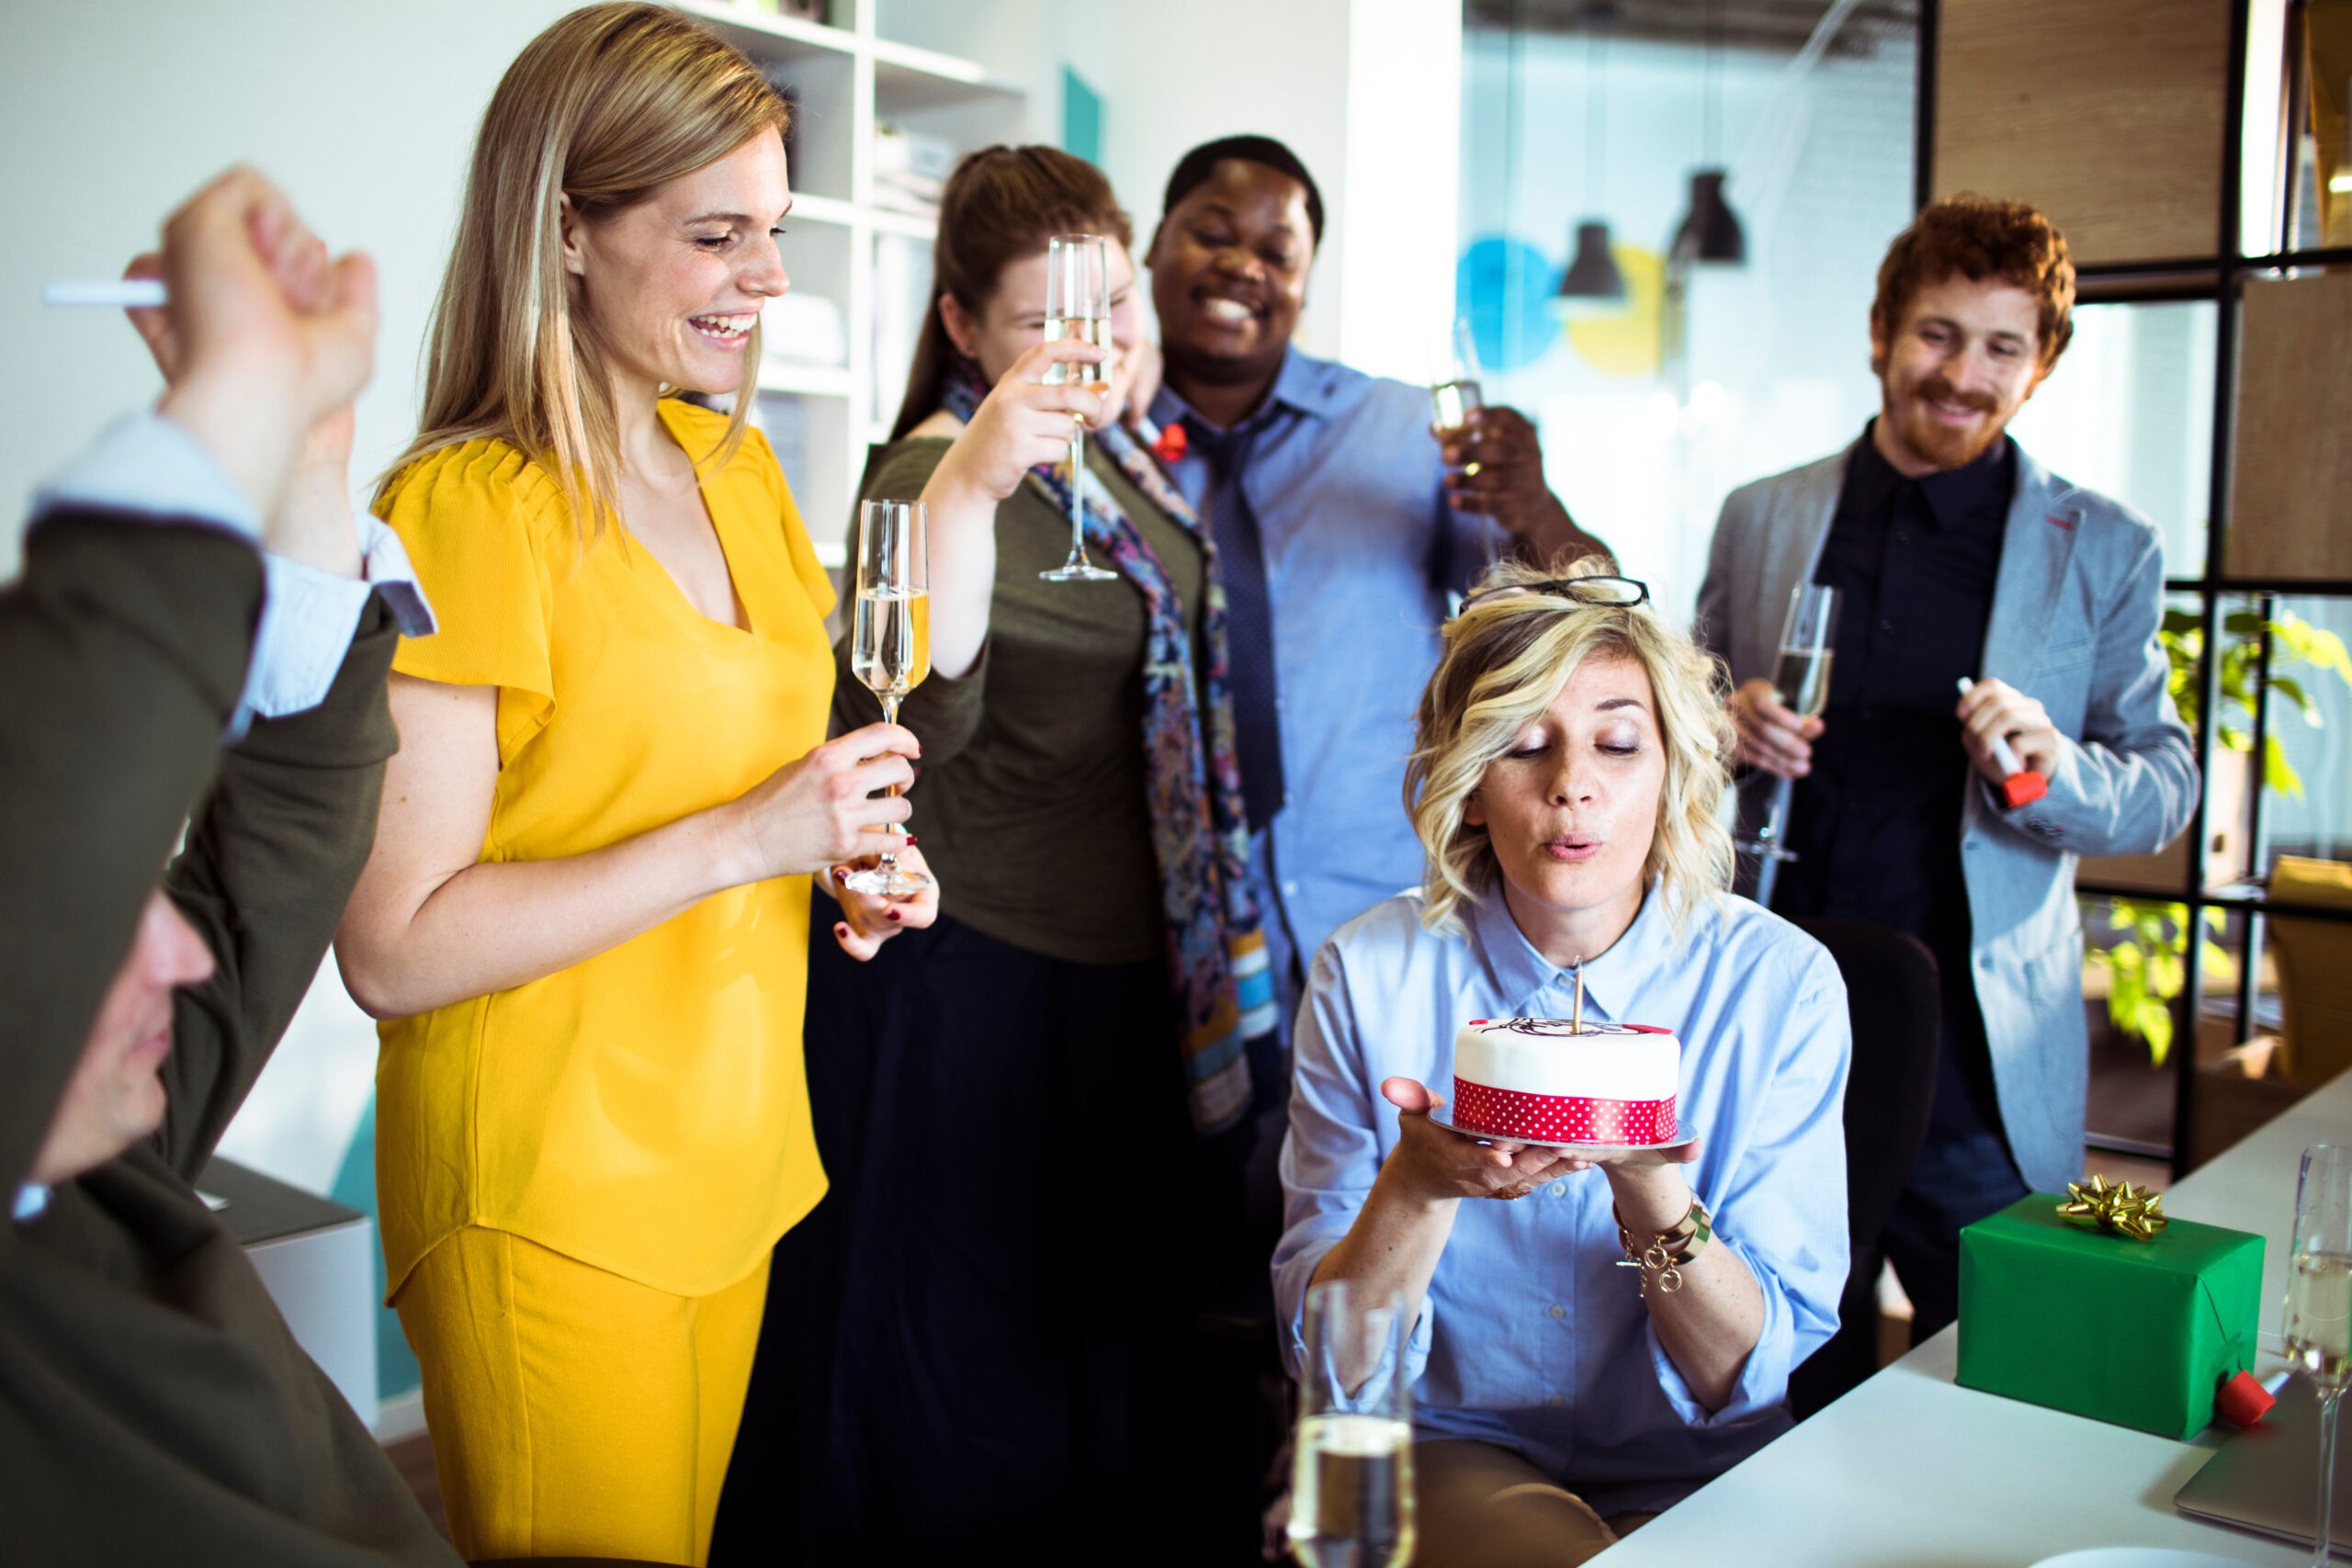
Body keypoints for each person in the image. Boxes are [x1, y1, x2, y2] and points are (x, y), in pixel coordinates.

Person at [331, 7, 934, 1562]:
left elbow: (727, 797)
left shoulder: (735, 470)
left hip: (731, 1162)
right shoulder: (465, 507)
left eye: (777, 232)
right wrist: (751, 833)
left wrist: (839, 865)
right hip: (548, 1193)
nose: (768, 279)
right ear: (569, 230)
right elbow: (393, 947)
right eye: (718, 234)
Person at [718, 144, 1274, 1564]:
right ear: (964, 326)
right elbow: (922, 712)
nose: (1080, 353)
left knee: (1076, 1355)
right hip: (968, 988)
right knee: (950, 1379)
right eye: (1043, 324)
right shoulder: (928, 473)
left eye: (1102, 315)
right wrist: (970, 479)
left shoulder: (1124, 480)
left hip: (1108, 983)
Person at [0, 166, 454, 1562]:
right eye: (97, 903)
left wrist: (301, 471)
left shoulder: (90, 1154)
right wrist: (224, 411)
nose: (180, 944)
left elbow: (261, 878)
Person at [1694, 196, 2197, 1399]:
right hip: (1775, 1019)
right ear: (1879, 333)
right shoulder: (1762, 513)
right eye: (1935, 334)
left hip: (1978, 1057)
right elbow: (1677, 721)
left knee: (2020, 1371)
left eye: (2002, 345)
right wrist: (1719, 721)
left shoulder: (2105, 547)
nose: (1962, 373)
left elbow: (2163, 786)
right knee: (1776, 1373)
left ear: (2046, 361)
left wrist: (2053, 768)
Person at [1273, 558, 1850, 1567]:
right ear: (1464, 788)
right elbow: (1332, 1367)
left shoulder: (1780, 985)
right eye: (1524, 744)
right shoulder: (1368, 972)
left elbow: (1746, 1380)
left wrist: (1652, 1186)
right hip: (1445, 1443)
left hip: (1699, 1464)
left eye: (1618, 743)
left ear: (1670, 768)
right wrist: (1417, 1184)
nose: (1572, 784)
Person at [1143, 133, 1612, 1037]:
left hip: (1387, 915)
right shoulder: (1099, 445)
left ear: (1304, 285)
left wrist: (1533, 504)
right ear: (1153, 248)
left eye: (1277, 252)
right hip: (1167, 927)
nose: (1243, 265)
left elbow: (1580, 621)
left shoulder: (1406, 432)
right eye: (1211, 233)